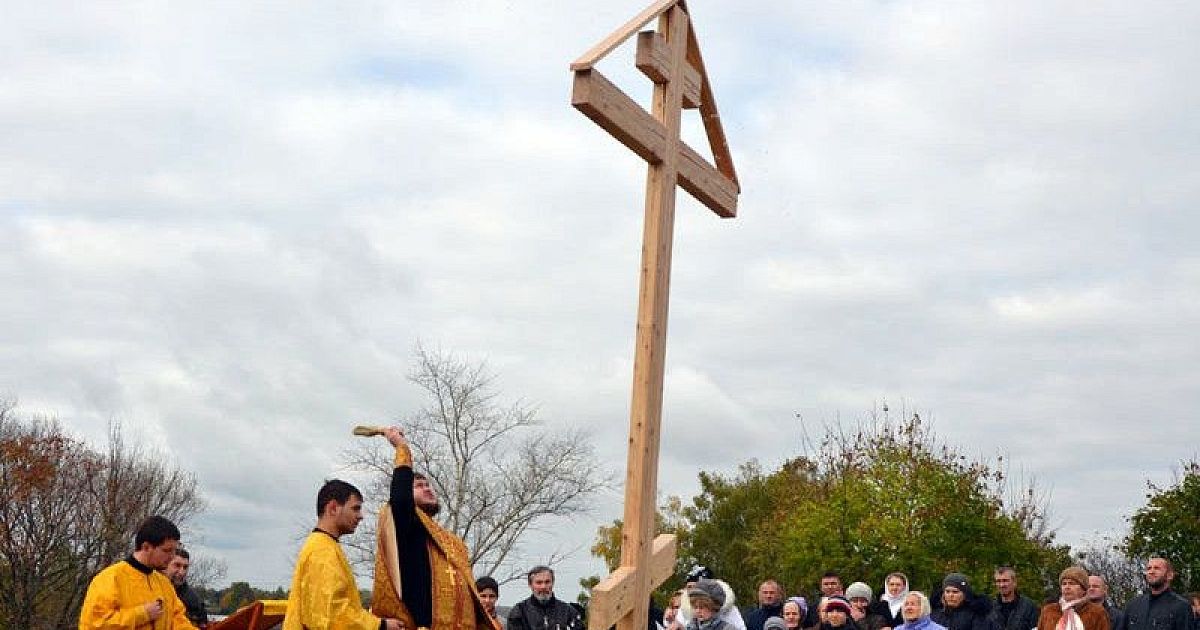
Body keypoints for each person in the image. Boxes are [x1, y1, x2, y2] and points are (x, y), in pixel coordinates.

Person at [371, 427, 492, 630]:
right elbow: (400, 500)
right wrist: (402, 448)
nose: (428, 488)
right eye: (419, 485)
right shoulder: (405, 527)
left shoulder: (448, 541)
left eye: (428, 485)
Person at [283, 479, 402, 630]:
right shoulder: (322, 552)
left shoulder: (325, 546)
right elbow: (333, 615)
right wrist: (381, 625)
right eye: (355, 508)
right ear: (333, 508)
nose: (361, 516)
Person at [79, 516, 197, 629]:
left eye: (174, 551)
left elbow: (178, 622)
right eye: (166, 551)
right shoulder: (110, 579)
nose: (172, 556)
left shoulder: (165, 585)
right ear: (146, 547)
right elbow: (94, 625)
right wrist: (142, 614)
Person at [1120, 557, 1191, 630]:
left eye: (1157, 568)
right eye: (1149, 568)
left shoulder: (1181, 607)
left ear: (1170, 575)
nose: (1151, 571)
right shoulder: (1133, 605)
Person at [508, 566, 584, 630]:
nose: (543, 586)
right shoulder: (519, 612)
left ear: (553, 583)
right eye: (539, 582)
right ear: (530, 585)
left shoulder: (568, 612)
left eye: (547, 582)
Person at [1037, 567, 1109, 630]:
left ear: (1083, 588)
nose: (1067, 587)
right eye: (1064, 584)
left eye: (1072, 583)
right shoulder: (1049, 610)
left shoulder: (1096, 612)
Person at [678, 567, 747, 630]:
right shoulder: (690, 625)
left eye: (702, 607)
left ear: (713, 607)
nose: (698, 611)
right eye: (695, 607)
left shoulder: (727, 624)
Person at [164, 548, 208, 628]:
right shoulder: (152, 589)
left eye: (185, 567)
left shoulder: (195, 601)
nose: (181, 572)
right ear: (165, 564)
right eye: (177, 565)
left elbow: (203, 625)